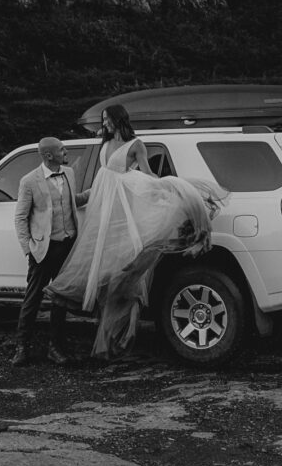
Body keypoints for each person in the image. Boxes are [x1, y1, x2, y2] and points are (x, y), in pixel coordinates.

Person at [47, 103, 226, 361]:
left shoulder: (136, 145)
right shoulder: (104, 145)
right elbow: (102, 180)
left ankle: (116, 338)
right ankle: (93, 337)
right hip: (101, 215)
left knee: (123, 275)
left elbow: (147, 175)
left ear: (118, 119)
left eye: (107, 119)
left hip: (122, 215)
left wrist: (168, 192)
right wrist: (78, 199)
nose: (104, 124)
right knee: (101, 273)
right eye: (103, 120)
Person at [11, 136, 90, 367]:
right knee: (32, 298)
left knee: (60, 300)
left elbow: (71, 201)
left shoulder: (69, 173)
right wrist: (28, 250)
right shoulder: (29, 181)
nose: (66, 152)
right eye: (62, 150)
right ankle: (22, 347)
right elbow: (20, 217)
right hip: (43, 250)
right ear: (48, 155)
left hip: (67, 246)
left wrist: (97, 191)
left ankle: (55, 348)